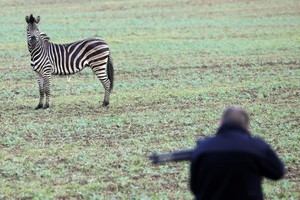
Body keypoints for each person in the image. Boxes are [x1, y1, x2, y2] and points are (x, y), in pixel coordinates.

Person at [190, 105, 285, 200]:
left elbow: (194, 187)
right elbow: (278, 173)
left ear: (221, 123)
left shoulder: (203, 146)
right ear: (247, 127)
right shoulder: (257, 146)